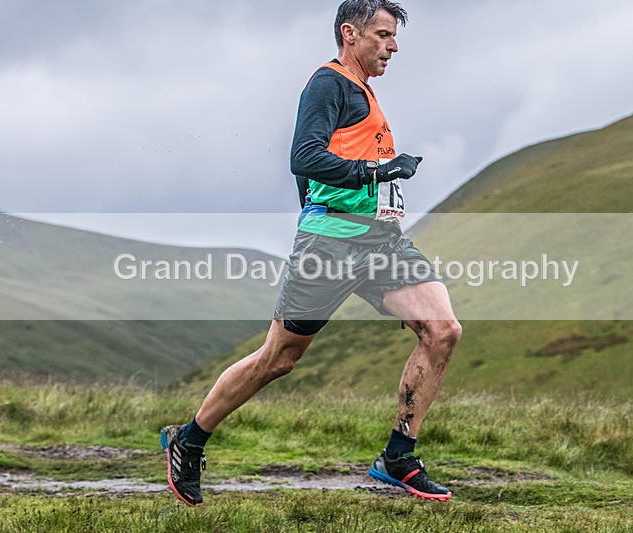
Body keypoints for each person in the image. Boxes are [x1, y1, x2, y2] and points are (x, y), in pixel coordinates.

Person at [160, 0, 461, 506]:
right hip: (331, 245)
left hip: (381, 241)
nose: (393, 47)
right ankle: (188, 440)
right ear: (350, 33)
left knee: (442, 330)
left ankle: (398, 456)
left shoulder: (363, 91)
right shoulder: (328, 83)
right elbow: (304, 156)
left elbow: (320, 166)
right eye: (383, 36)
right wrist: (376, 174)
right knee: (278, 358)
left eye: (394, 37)